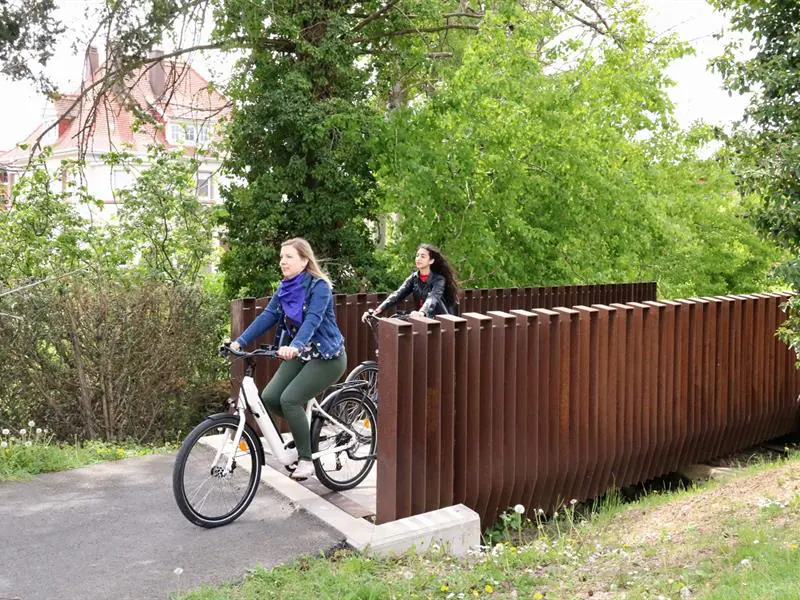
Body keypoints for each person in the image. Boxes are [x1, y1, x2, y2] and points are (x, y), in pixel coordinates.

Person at [230, 238, 346, 481]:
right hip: (302, 354)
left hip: (327, 356)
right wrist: (240, 341)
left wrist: (294, 345)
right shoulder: (284, 288)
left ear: (304, 261)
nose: (282, 261)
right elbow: (268, 316)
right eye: (281, 257)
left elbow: (313, 320)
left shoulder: (319, 287)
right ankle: (305, 430)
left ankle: (306, 459)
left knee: (290, 399)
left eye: (289, 257)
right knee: (270, 397)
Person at [363, 243, 461, 322]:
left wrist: (422, 312)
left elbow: (433, 298)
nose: (418, 258)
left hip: (441, 322)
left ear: (431, 261)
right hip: (423, 320)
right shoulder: (414, 278)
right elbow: (397, 295)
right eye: (417, 255)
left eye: (423, 256)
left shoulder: (439, 279)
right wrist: (377, 311)